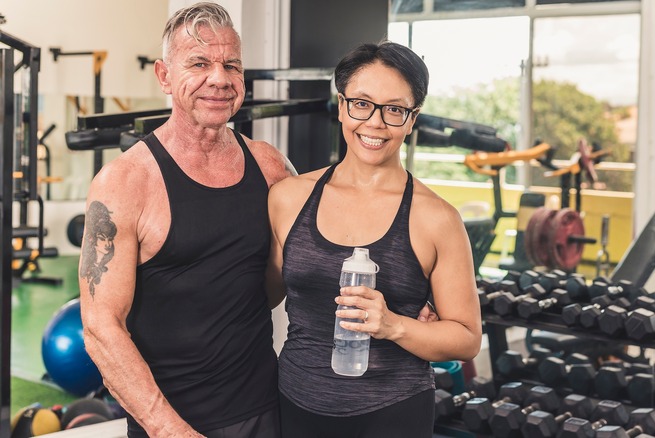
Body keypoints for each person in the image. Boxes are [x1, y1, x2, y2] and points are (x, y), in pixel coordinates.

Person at [77, 3, 293, 437]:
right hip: (170, 422)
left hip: (265, 408)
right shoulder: (124, 183)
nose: (219, 78)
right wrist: (168, 429)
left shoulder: (270, 167)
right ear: (164, 76)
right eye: (199, 62)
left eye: (231, 64)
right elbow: (101, 328)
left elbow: (301, 265)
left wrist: (404, 299)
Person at [265, 41, 483, 438]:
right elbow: (262, 295)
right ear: (342, 104)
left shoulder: (436, 219)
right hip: (294, 402)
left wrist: (393, 325)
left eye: (394, 110)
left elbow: (467, 338)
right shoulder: (289, 197)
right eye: (362, 104)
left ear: (412, 118)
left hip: (393, 412)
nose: (375, 123)